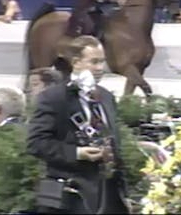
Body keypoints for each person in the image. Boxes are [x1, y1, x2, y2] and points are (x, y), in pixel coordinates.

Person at [27, 35, 130, 214]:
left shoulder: (106, 97)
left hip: (109, 195)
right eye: (94, 62)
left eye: (102, 62)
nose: (100, 68)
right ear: (76, 62)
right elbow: (36, 143)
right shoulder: (53, 98)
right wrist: (77, 153)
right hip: (71, 195)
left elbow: (115, 146)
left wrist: (124, 194)